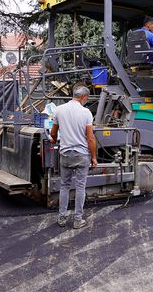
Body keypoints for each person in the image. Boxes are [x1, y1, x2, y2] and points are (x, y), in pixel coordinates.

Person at [50, 86, 98, 229]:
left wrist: (53, 140)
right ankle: (78, 220)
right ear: (84, 97)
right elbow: (90, 138)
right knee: (80, 187)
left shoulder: (59, 110)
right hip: (81, 154)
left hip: (65, 154)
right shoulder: (86, 112)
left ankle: (62, 218)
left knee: (64, 186)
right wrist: (94, 157)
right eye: (86, 99)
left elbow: (53, 133)